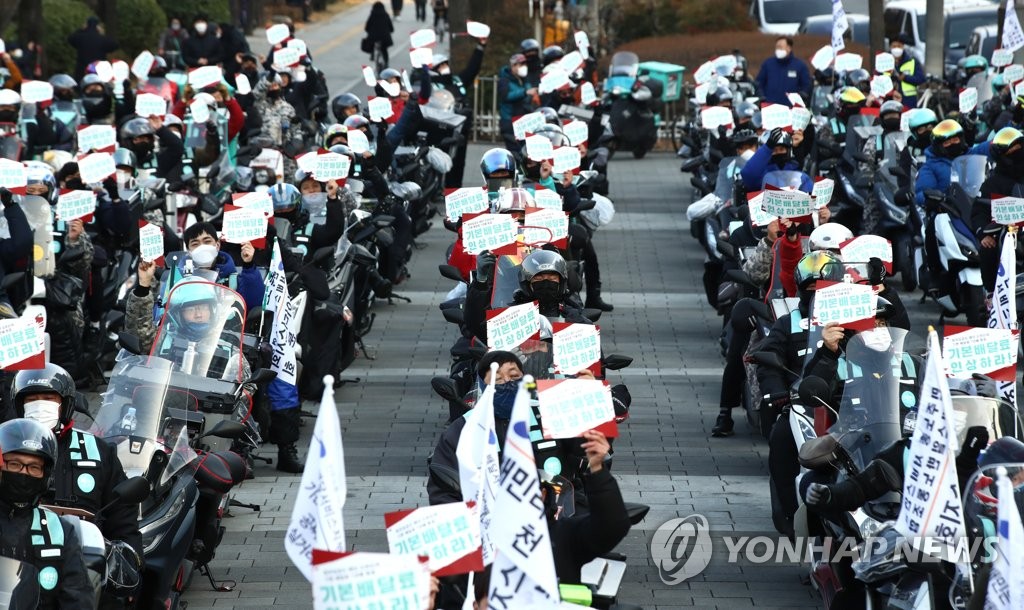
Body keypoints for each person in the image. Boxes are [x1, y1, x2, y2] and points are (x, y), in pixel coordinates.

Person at [9, 365, 143, 599]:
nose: (40, 405)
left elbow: (123, 519)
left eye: (48, 398)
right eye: (32, 399)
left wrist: (129, 562)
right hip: (16, 562)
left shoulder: (100, 451)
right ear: (19, 406)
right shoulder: (6, 450)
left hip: (86, 564)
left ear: (66, 403)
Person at [0, 418, 94, 609]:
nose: (24, 473)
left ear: (45, 476)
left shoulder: (60, 531)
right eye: (15, 464)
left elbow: (78, 599)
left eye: (34, 467)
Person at [740, 127, 813, 193]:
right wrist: (767, 148)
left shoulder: (799, 175)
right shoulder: (760, 176)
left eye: (781, 149)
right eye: (773, 150)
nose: (778, 152)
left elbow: (811, 197)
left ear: (788, 151)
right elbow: (748, 174)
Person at [755, 36, 811, 106]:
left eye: (781, 47)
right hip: (770, 108)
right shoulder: (768, 64)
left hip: (791, 109)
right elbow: (759, 83)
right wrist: (762, 96)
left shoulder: (799, 66)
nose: (778, 50)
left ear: (789, 48)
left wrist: (801, 97)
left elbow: (806, 85)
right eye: (777, 47)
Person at [497, 54, 536, 153]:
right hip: (509, 122)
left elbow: (528, 96)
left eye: (525, 64)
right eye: (521, 64)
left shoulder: (524, 80)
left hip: (522, 121)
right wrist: (524, 92)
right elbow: (505, 96)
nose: (524, 67)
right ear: (513, 66)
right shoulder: (504, 80)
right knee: (515, 153)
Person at [889, 33, 925, 109]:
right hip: (890, 101)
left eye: (899, 46)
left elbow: (920, 79)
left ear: (903, 47)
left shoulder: (912, 62)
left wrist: (905, 78)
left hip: (909, 102)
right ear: (890, 47)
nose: (896, 49)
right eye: (894, 46)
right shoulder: (884, 62)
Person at [365, 2, 395, 68]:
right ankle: (386, 64)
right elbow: (391, 28)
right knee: (384, 50)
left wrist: (369, 31)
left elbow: (367, 27)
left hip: (374, 37)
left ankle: (373, 55)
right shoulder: (386, 15)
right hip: (385, 38)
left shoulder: (372, 15)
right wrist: (389, 31)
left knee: (372, 44)